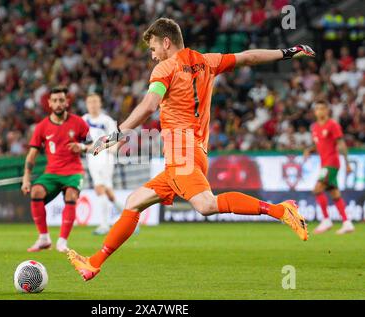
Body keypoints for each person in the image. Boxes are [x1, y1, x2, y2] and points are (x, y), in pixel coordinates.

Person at [68, 18, 315, 281]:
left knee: (206, 205)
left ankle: (280, 210)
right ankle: (94, 262)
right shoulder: (208, 60)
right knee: (134, 202)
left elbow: (150, 105)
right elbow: (249, 57)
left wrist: (117, 134)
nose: (152, 56)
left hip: (181, 154)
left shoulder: (165, 68)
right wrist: (288, 52)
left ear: (166, 42)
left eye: (153, 48)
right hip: (195, 152)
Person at [21, 86, 92, 253]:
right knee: (36, 191)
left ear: (67, 102)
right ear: (49, 103)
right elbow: (31, 155)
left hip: (74, 172)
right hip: (52, 173)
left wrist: (81, 146)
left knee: (71, 195)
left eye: (61, 100)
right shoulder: (42, 127)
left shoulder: (79, 122)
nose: (58, 103)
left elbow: (93, 145)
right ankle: (44, 238)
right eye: (55, 100)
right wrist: (26, 178)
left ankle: (62, 242)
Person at [304, 101, 355, 235]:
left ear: (327, 111)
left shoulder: (333, 125)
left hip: (332, 163)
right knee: (334, 194)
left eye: (322, 108)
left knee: (317, 189)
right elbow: (319, 144)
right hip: (324, 163)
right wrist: (310, 150)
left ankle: (326, 219)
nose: (320, 111)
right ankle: (347, 223)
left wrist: (348, 163)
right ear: (315, 112)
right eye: (317, 109)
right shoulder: (314, 127)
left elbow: (341, 144)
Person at [82, 93, 124, 235]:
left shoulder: (106, 120)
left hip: (105, 158)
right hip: (92, 159)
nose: (93, 105)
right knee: (109, 193)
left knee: (100, 189)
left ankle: (104, 225)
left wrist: (112, 150)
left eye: (95, 102)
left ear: (100, 104)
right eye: (90, 102)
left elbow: (117, 138)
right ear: (87, 104)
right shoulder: (84, 120)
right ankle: (130, 220)